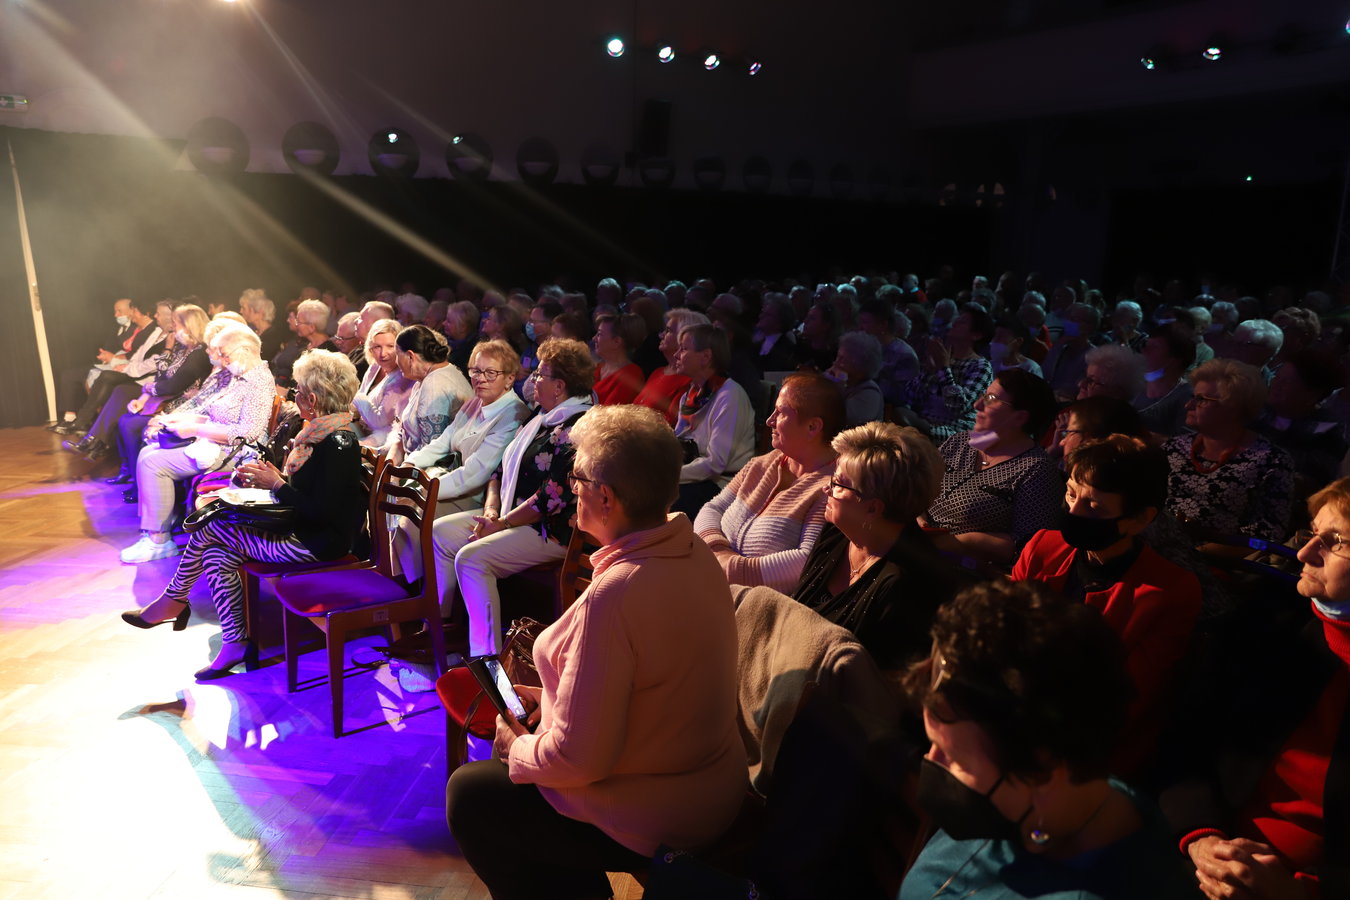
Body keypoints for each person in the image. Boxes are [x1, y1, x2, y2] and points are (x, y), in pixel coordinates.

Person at [446, 404, 746, 900]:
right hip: (707, 782)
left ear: (605, 497)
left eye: (577, 477)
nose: (572, 487)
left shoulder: (620, 591)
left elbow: (578, 759)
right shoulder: (691, 549)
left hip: (663, 808)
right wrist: (553, 698)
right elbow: (648, 686)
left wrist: (516, 746)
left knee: (471, 795)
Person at [899, 579, 1195, 900]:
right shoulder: (1029, 804)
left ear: (1044, 768)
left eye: (955, 757)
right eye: (934, 743)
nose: (931, 760)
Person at [118, 350, 366, 679]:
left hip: (316, 543)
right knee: (216, 555)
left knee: (212, 527)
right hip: (300, 529)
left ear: (312, 398)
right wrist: (272, 478)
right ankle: (233, 641)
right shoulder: (319, 434)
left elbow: (323, 511)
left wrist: (277, 485)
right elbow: (307, 493)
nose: (294, 397)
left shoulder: (338, 442)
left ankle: (174, 599)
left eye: (299, 391)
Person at [1163, 476, 1350, 899]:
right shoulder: (1265, 620)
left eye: (1334, 542)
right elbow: (1185, 741)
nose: (1303, 552)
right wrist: (1202, 839)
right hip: (1209, 855)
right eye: (1311, 533)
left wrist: (1301, 892)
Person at [1012, 435, 1203, 776]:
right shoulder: (1042, 547)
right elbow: (1002, 631)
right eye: (1071, 493)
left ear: (1139, 519)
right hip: (1015, 712)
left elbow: (1122, 700)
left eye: (1094, 506)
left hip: (1086, 748)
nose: (1073, 512)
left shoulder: (1170, 591)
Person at [429, 338, 594, 657]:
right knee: (442, 533)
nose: (533, 380)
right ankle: (444, 627)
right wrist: (492, 512)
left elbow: (551, 497)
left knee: (472, 558)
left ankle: (487, 657)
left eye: (540, 375)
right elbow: (499, 471)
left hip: (550, 530)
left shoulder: (578, 426)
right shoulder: (541, 416)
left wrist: (502, 523)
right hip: (510, 516)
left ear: (559, 386)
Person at [793, 421, 973, 670]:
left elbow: (870, 678)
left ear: (873, 508)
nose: (826, 489)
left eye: (838, 484)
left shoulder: (906, 583)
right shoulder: (837, 533)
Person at [120, 325, 275, 564]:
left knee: (153, 463)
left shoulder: (258, 381)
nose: (223, 359)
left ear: (245, 350)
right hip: (216, 444)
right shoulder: (240, 376)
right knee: (148, 452)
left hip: (236, 455)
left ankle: (159, 541)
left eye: (225, 354)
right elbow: (217, 415)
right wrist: (188, 420)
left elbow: (248, 433)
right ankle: (156, 528)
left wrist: (194, 429)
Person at [694, 372, 841, 592]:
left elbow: (804, 562)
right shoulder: (763, 463)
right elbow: (712, 508)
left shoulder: (830, 487)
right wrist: (717, 549)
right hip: (713, 584)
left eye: (780, 413)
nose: (769, 420)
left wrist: (729, 569)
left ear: (812, 427)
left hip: (754, 605)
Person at [923, 369, 1063, 566]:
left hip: (968, 571)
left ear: (1020, 417)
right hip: (921, 548)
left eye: (990, 399)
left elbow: (1029, 546)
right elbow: (918, 485)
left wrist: (965, 540)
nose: (977, 405)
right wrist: (918, 518)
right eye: (984, 395)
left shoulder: (1036, 470)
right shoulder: (961, 442)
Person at [1163, 359, 1295, 550]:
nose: (1188, 405)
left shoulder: (1271, 461)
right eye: (1192, 397)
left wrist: (1200, 553)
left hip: (1216, 560)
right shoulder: (1174, 447)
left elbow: (1267, 533)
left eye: (1201, 399)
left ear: (1233, 407)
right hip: (1156, 548)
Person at [81, 304, 211, 472]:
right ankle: (128, 471)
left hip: (183, 405)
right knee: (124, 420)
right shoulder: (182, 348)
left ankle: (138, 475)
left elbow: (173, 386)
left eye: (176, 324)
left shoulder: (199, 353)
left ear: (188, 326)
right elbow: (162, 376)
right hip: (167, 399)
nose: (173, 328)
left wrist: (149, 389)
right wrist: (168, 350)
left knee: (130, 424)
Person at [671, 323, 756, 517]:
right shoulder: (692, 394)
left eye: (683, 349)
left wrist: (669, 475)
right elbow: (679, 442)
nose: (676, 355)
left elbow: (715, 464)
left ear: (706, 356)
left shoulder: (729, 395)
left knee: (655, 499)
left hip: (722, 485)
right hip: (696, 477)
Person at [896, 304, 995, 441]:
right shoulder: (942, 358)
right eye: (957, 319)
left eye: (962, 322)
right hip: (925, 422)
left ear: (976, 335)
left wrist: (943, 368)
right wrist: (929, 371)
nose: (955, 322)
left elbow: (959, 406)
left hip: (954, 432)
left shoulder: (981, 366)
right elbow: (910, 397)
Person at [383, 325, 472, 464]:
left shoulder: (434, 384)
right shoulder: (424, 379)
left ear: (410, 356)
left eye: (397, 355)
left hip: (431, 472)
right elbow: (404, 435)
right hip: (410, 465)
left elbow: (431, 452)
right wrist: (389, 465)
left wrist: (397, 472)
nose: (396, 361)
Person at [632, 308, 706, 425]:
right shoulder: (658, 372)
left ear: (684, 338)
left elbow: (669, 425)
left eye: (668, 331)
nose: (661, 335)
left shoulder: (689, 381)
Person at [352, 318, 414, 448]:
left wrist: (356, 397)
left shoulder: (403, 376)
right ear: (370, 348)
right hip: (362, 428)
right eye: (377, 347)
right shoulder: (375, 366)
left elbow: (380, 422)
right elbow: (357, 405)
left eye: (390, 346)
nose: (383, 354)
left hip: (384, 439)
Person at [1135, 323, 1196, 438]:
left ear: (1175, 359)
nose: (1144, 351)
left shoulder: (1187, 398)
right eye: (1146, 345)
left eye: (1155, 347)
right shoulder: (1134, 386)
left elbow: (1184, 443)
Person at [826, 331, 885, 427]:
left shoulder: (870, 393)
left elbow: (841, 420)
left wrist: (836, 388)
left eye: (842, 359)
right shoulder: (841, 380)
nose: (836, 362)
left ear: (858, 366)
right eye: (838, 356)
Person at [590, 313, 645, 406]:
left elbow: (610, 412)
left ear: (616, 342)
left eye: (599, 334)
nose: (593, 338)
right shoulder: (598, 367)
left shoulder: (632, 374)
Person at [754, 292, 799, 374]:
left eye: (767, 315)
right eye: (763, 312)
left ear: (780, 322)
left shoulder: (786, 349)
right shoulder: (754, 340)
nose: (761, 316)